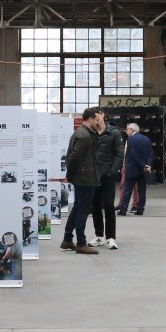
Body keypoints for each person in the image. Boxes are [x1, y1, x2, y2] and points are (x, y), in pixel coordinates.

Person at [60, 107, 102, 254]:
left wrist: (71, 175)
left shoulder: (83, 133)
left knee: (78, 208)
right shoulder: (84, 136)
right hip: (85, 179)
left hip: (83, 177)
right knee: (82, 211)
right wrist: (70, 174)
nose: (99, 122)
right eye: (97, 120)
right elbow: (72, 158)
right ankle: (81, 243)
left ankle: (67, 239)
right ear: (90, 119)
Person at [91, 111, 125, 250]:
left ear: (103, 115)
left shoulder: (114, 133)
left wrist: (113, 171)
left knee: (109, 205)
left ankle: (111, 237)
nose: (96, 120)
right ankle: (99, 236)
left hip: (108, 175)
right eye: (93, 118)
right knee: (95, 206)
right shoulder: (91, 133)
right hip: (93, 176)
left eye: (97, 117)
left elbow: (119, 154)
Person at [116, 122, 154, 216]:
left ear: (131, 130)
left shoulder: (130, 140)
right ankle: (140, 209)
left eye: (127, 130)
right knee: (142, 190)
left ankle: (123, 209)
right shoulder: (146, 139)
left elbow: (133, 155)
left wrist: (143, 165)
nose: (126, 131)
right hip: (143, 170)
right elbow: (150, 153)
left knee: (127, 189)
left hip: (132, 169)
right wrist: (148, 165)